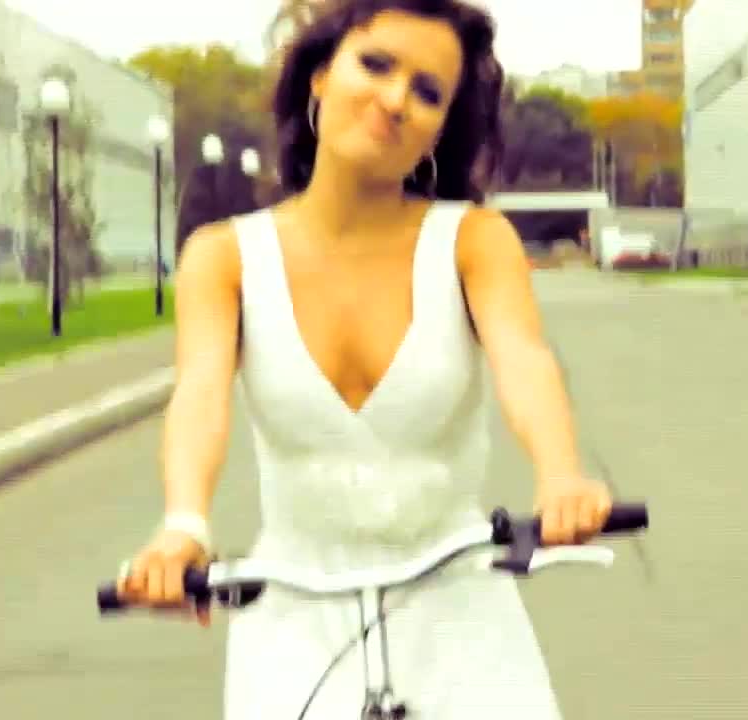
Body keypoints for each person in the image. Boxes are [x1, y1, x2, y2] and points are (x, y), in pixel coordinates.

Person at [117, 0, 614, 716]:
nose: (395, 99)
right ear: (321, 76)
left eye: (427, 91)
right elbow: (199, 394)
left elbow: (524, 359)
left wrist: (561, 476)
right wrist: (183, 527)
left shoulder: (474, 241)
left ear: (440, 128)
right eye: (375, 65)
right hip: (293, 615)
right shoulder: (223, 257)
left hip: (459, 609)